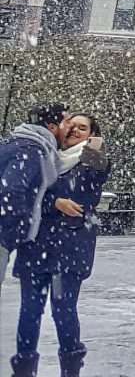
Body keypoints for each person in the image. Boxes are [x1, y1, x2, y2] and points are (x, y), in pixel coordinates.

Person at [11, 114, 105, 377]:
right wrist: (54, 202)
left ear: (92, 135)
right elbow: (27, 192)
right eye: (71, 125)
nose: (74, 130)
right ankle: (24, 372)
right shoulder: (44, 157)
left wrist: (96, 151)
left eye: (82, 127)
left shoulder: (91, 162)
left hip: (70, 249)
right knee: (30, 310)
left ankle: (69, 373)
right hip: (35, 246)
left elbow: (85, 194)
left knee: (63, 310)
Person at [0, 107, 76, 275]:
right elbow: (10, 191)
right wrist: (18, 226)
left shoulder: (15, 143)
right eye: (68, 123)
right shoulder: (31, 149)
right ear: (52, 127)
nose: (72, 128)